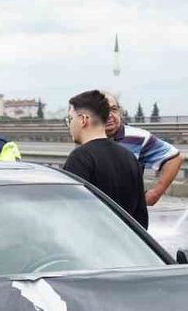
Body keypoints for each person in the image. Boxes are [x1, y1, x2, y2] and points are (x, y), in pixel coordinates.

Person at [62, 89, 148, 227]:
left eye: (70, 119)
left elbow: (72, 213)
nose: (69, 125)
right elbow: (141, 218)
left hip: (94, 238)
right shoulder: (129, 157)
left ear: (83, 120)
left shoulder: (80, 158)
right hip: (126, 239)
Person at [103, 92, 184, 206]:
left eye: (114, 109)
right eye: (103, 110)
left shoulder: (137, 137)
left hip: (127, 211)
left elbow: (175, 158)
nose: (109, 115)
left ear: (120, 112)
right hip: (93, 210)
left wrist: (155, 194)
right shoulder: (84, 138)